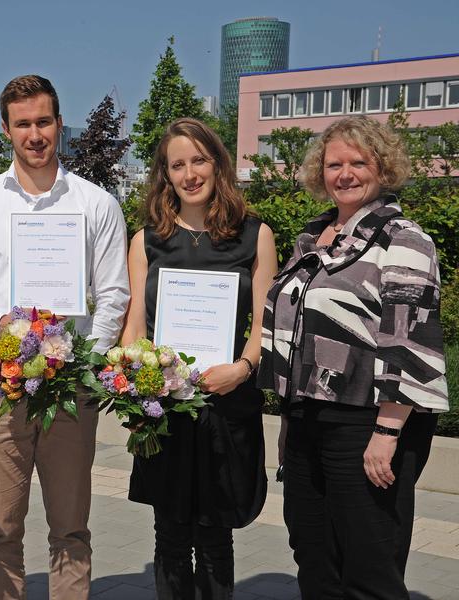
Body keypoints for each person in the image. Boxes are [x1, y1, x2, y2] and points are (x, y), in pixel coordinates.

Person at [0, 74, 129, 600]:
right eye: (23, 124)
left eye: (44, 121)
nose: (35, 134)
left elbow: (113, 294)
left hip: (70, 383)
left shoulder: (96, 204)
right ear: (6, 130)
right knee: (1, 527)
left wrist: (85, 360)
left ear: (59, 124)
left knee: (70, 528)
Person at [257, 115, 449, 599]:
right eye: (334, 163)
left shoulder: (402, 239)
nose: (345, 173)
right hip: (307, 421)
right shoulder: (313, 239)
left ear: (382, 167)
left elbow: (409, 342)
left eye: (358, 162)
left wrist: (386, 434)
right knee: (313, 555)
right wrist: (287, 421)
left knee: (368, 567)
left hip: (366, 425)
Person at [121, 117, 277, 599]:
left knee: (214, 536)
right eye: (177, 165)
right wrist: (134, 377)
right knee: (168, 536)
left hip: (225, 404)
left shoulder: (254, 236)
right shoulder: (146, 239)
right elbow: (135, 327)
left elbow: (266, 327)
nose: (190, 174)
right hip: (163, 409)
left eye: (198, 160)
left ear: (217, 163)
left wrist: (244, 369)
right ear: (165, 175)